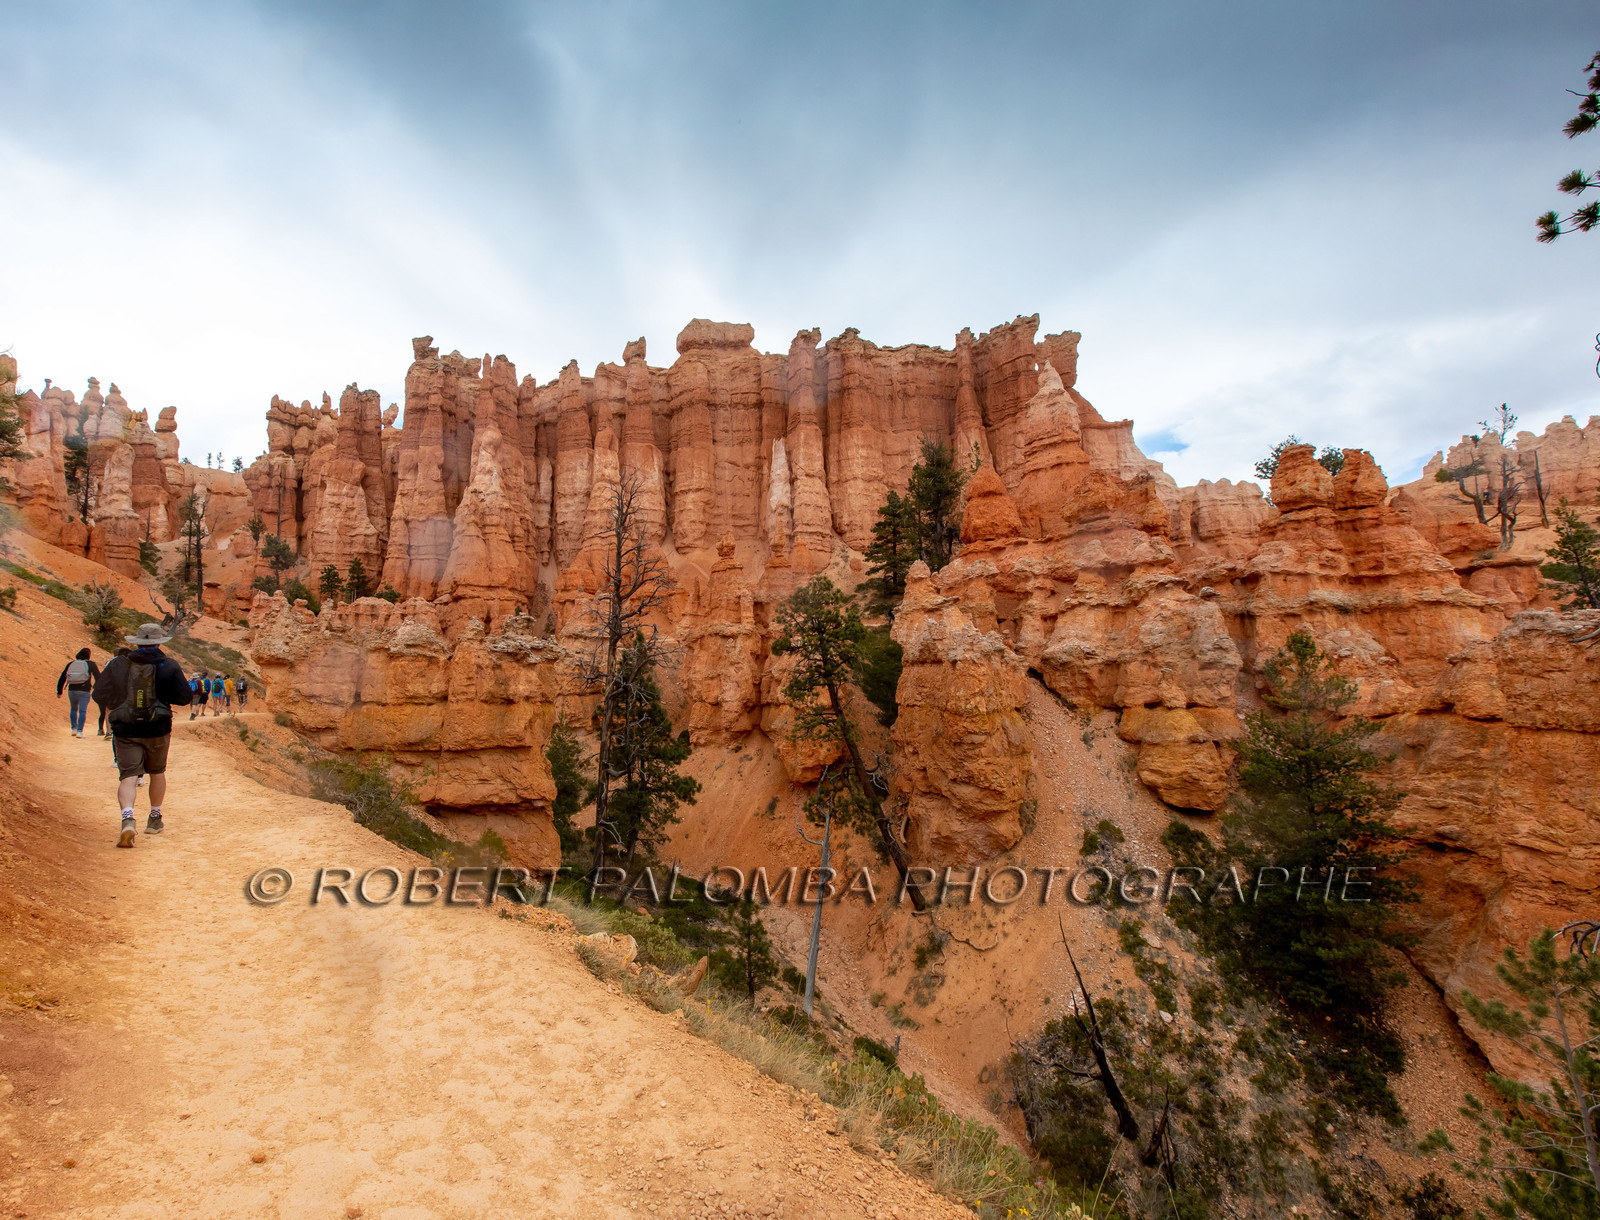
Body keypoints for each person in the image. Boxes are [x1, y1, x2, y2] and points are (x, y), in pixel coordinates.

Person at [93, 623, 193, 847]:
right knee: (157, 772)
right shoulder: (168, 665)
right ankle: (155, 818)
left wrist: (117, 703)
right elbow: (184, 697)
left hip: (125, 729)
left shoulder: (118, 664)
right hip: (157, 728)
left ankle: (128, 819)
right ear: (159, 642)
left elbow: (98, 694)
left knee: (128, 776)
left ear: (136, 642)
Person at [56, 648, 101, 738]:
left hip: (72, 690)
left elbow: (62, 677)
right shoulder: (91, 664)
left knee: (73, 709)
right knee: (82, 711)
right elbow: (98, 678)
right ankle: (80, 731)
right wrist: (96, 688)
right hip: (85, 691)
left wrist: (59, 691)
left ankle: (74, 729)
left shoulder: (71, 664)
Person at [97, 646, 131, 736]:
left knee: (109, 710)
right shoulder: (129, 662)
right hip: (124, 690)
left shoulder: (110, 662)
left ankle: (109, 731)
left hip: (111, 689)